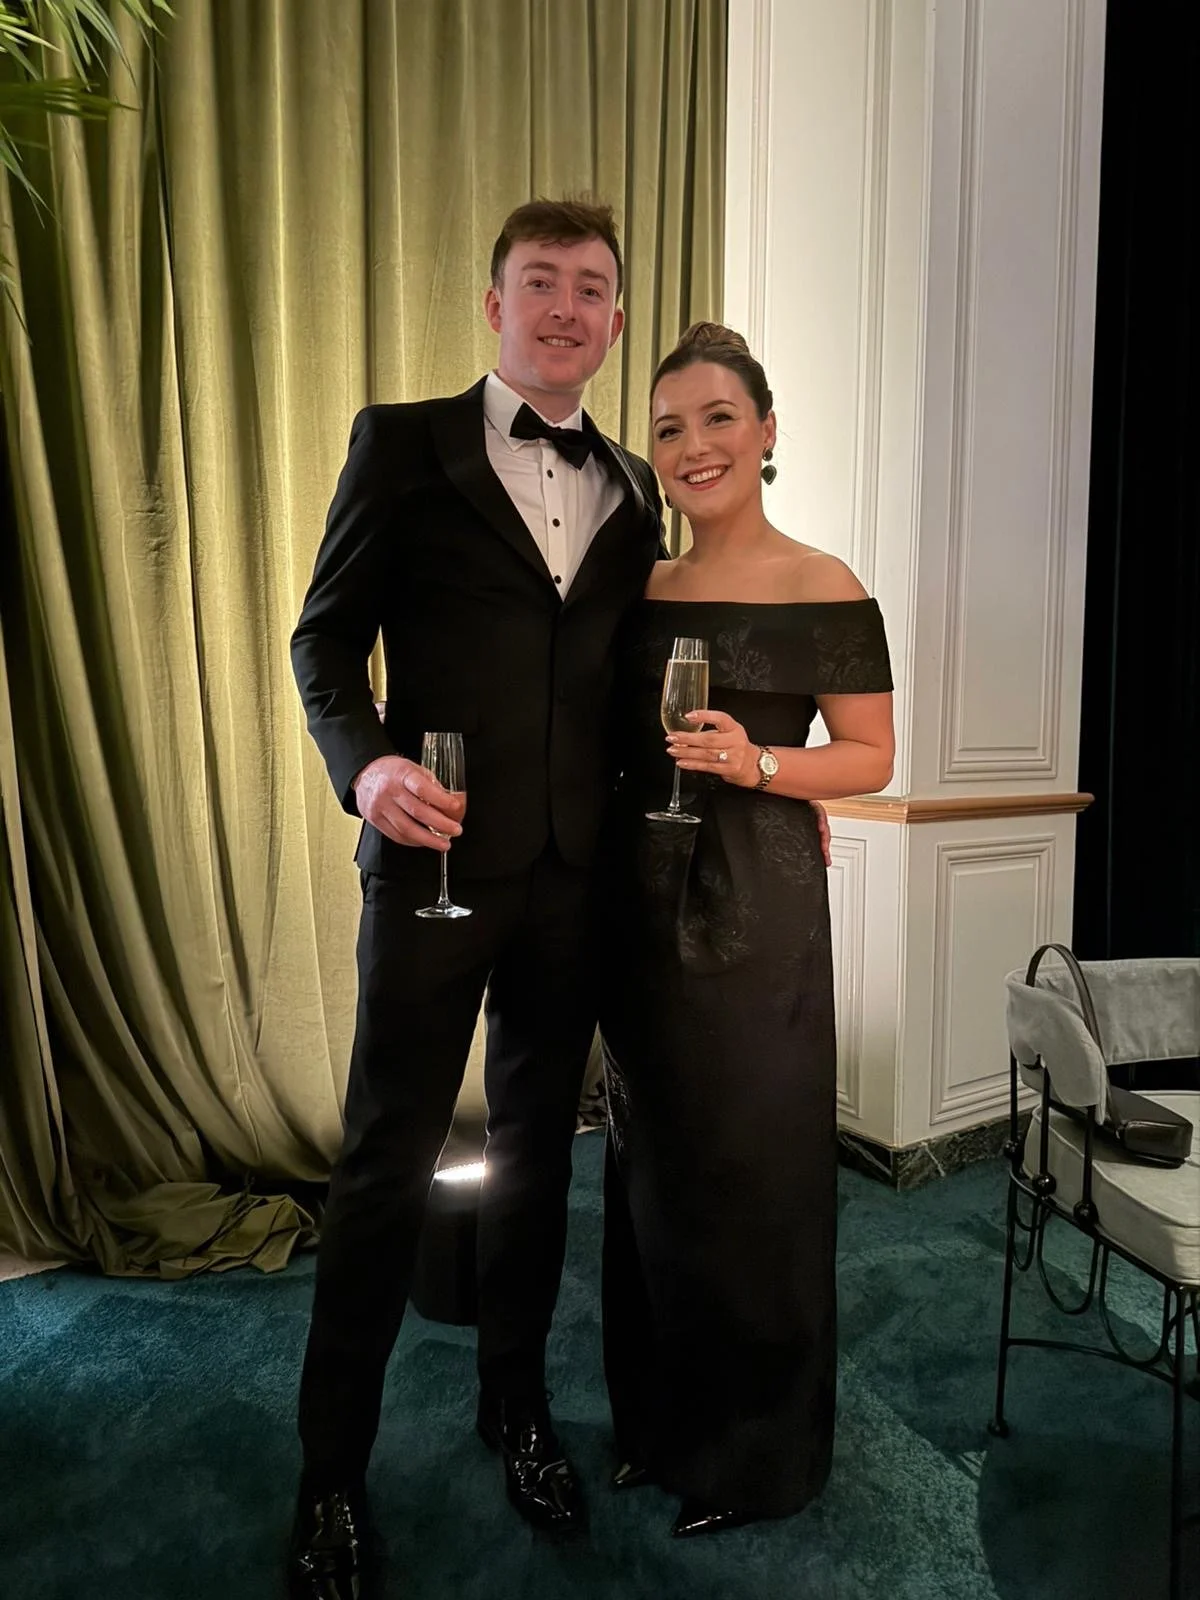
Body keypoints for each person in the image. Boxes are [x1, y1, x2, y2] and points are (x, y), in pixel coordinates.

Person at [286, 198, 665, 1598]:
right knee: (384, 1160)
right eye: (541, 283)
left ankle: (516, 1412)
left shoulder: (634, 487)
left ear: (615, 321)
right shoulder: (403, 442)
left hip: (575, 882)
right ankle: (330, 1474)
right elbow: (322, 642)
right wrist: (366, 762)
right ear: (492, 302)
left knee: (536, 1155)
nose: (568, 308)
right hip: (435, 866)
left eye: (593, 289)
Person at [598, 322, 895, 1538]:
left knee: (754, 1179)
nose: (693, 445)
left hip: (763, 910)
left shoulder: (828, 583)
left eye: (719, 418)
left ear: (766, 434)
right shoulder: (641, 588)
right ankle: (660, 1425)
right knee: (651, 1171)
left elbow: (872, 757)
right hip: (641, 898)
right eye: (669, 427)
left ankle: (756, 1458)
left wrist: (764, 764)